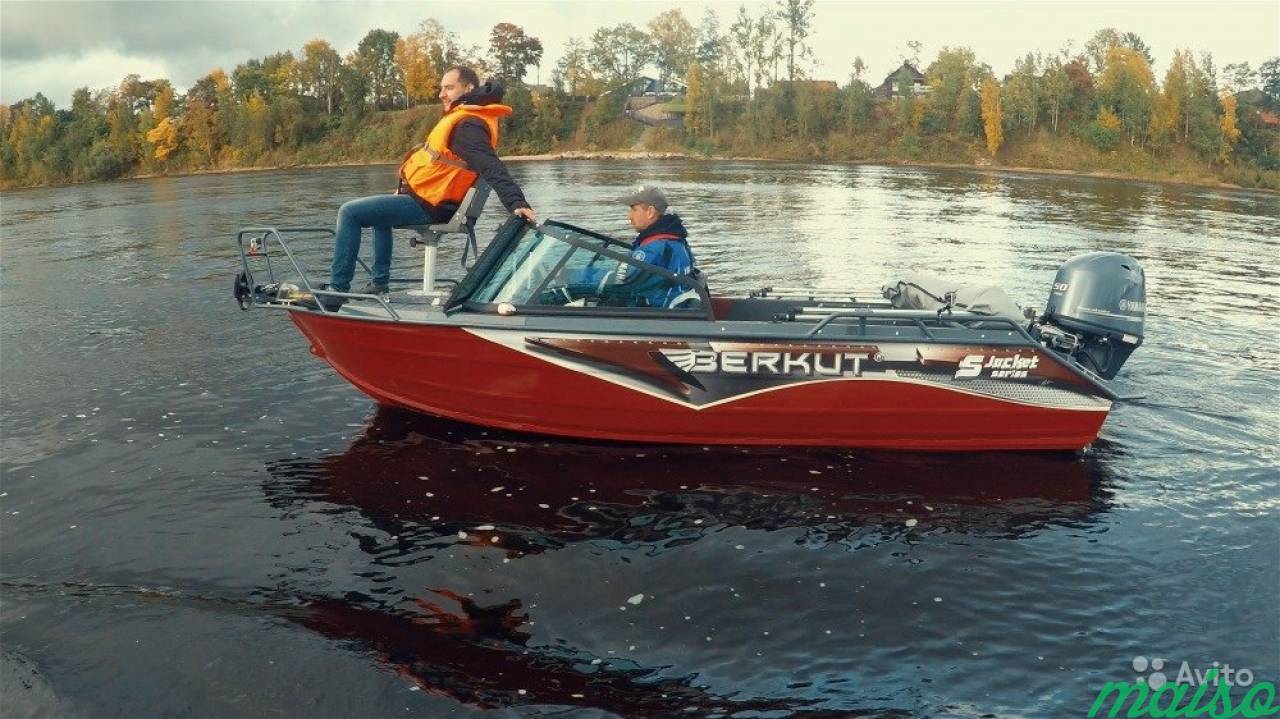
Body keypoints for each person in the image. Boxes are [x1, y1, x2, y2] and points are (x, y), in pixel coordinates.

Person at [326, 65, 536, 303]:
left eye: (449, 88)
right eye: (441, 88)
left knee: (349, 212)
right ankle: (379, 284)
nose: (441, 94)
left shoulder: (467, 125)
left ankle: (336, 291)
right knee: (378, 213)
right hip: (428, 199)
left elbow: (491, 166)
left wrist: (515, 201)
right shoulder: (467, 117)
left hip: (432, 206)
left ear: (468, 88)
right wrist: (404, 190)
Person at [608, 185, 697, 308]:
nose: (629, 217)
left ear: (650, 212)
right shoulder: (675, 241)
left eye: (633, 209)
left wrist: (576, 279)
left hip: (655, 318)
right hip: (667, 312)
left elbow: (619, 280)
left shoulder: (655, 249)